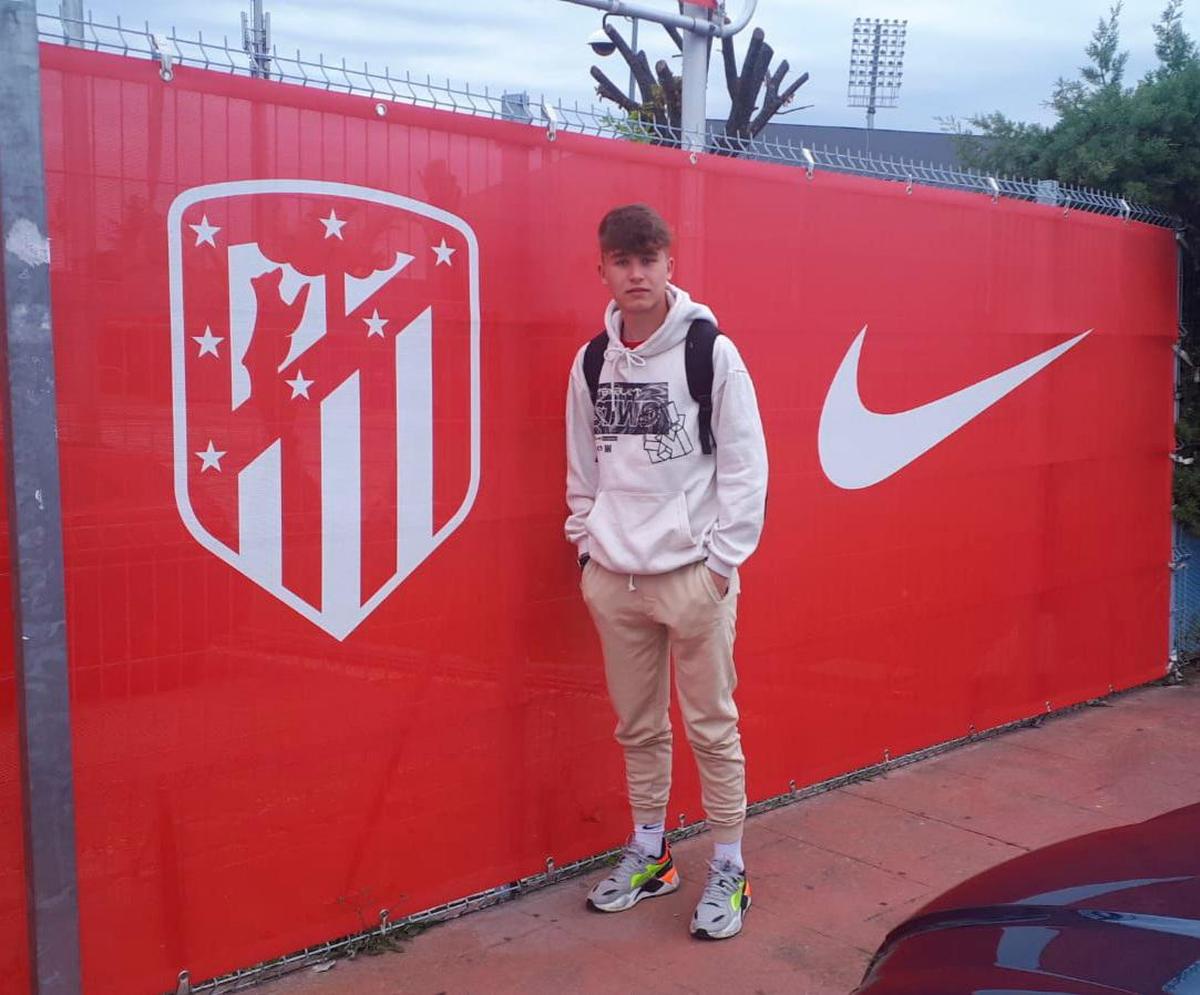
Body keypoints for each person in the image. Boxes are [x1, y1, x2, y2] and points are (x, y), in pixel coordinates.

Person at [564, 203, 769, 940]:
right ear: (603, 270)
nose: (637, 272)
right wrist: (587, 547)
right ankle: (652, 854)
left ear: (670, 264)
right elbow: (582, 466)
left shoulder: (709, 352)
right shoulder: (592, 361)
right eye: (623, 260)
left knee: (713, 726)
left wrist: (718, 567)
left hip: (692, 577)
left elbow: (748, 466)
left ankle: (730, 867)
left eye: (649, 257)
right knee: (638, 726)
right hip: (613, 578)